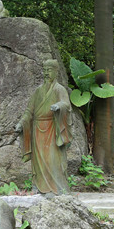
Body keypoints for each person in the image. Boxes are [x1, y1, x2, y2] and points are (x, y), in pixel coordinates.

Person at [15, 59, 72, 194]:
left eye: (49, 70)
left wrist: (58, 106)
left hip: (52, 127)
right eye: (45, 70)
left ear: (56, 72)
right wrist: (21, 123)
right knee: (38, 161)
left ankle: (57, 188)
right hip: (37, 130)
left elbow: (66, 103)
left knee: (53, 159)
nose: (46, 73)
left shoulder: (59, 89)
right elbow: (29, 111)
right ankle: (39, 188)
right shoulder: (38, 91)